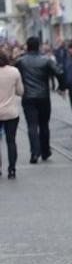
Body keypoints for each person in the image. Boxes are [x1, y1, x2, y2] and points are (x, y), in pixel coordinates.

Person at [15, 37, 65, 163]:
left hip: (28, 97)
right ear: (39, 46)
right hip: (43, 96)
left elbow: (13, 73)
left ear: (27, 46)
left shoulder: (21, 61)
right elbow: (59, 72)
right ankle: (45, 150)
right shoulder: (46, 60)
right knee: (44, 124)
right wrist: (62, 87)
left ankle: (34, 153)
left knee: (32, 125)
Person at [0, 50, 23, 178]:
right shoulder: (14, 71)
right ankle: (12, 169)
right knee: (11, 141)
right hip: (11, 112)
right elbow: (20, 91)